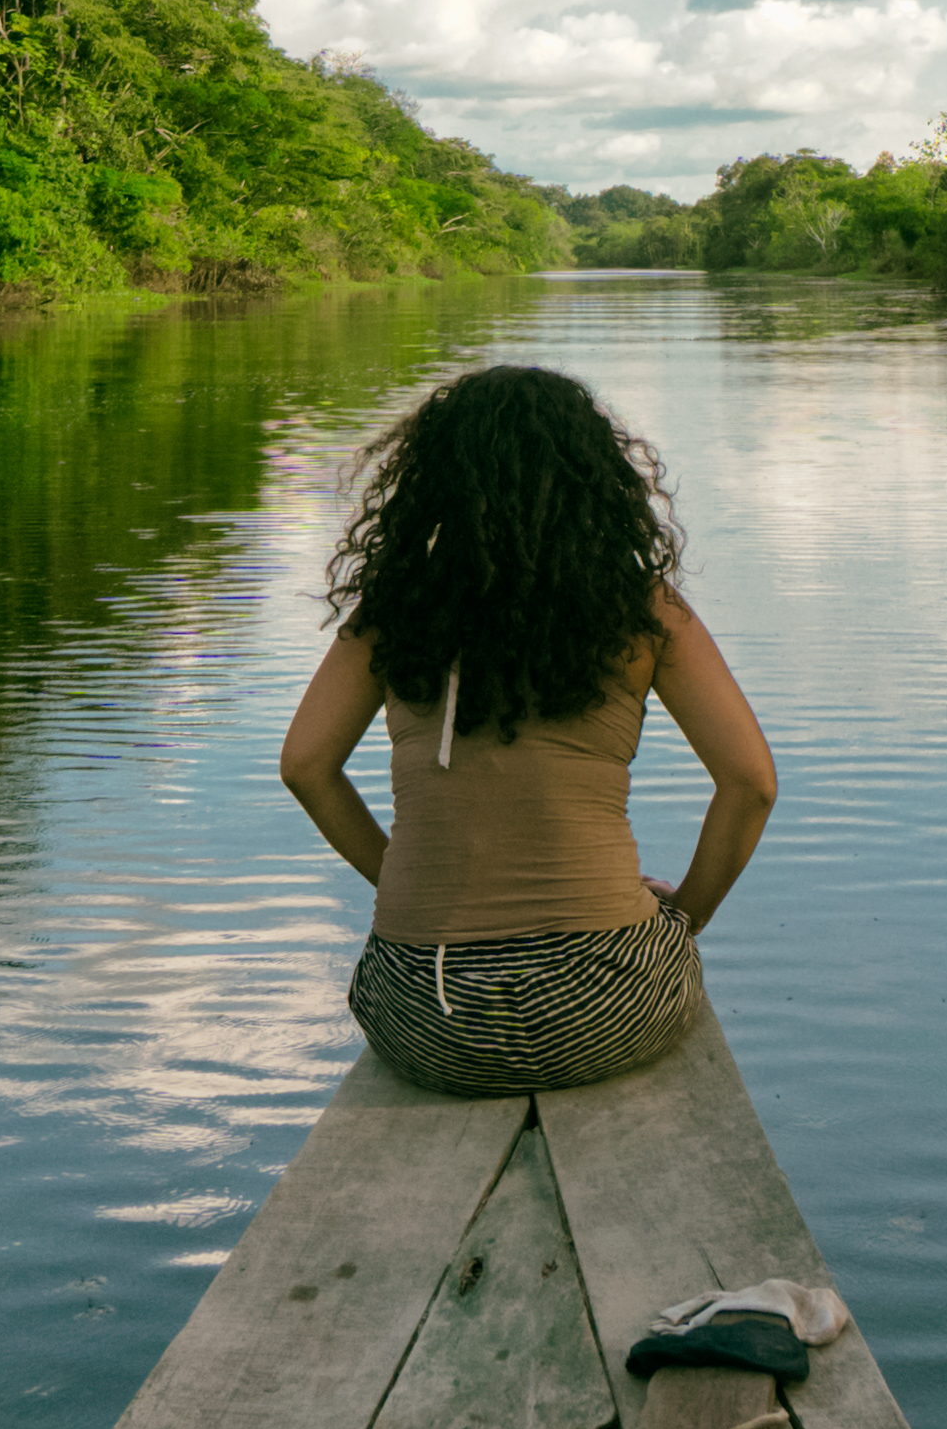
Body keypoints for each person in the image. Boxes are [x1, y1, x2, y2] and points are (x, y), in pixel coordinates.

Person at [279, 363, 777, 1098]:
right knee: (653, 931)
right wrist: (683, 918)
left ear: (433, 482)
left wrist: (404, 881)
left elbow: (305, 766)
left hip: (425, 1011)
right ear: (593, 477)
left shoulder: (393, 612)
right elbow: (752, 784)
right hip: (606, 1003)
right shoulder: (644, 611)